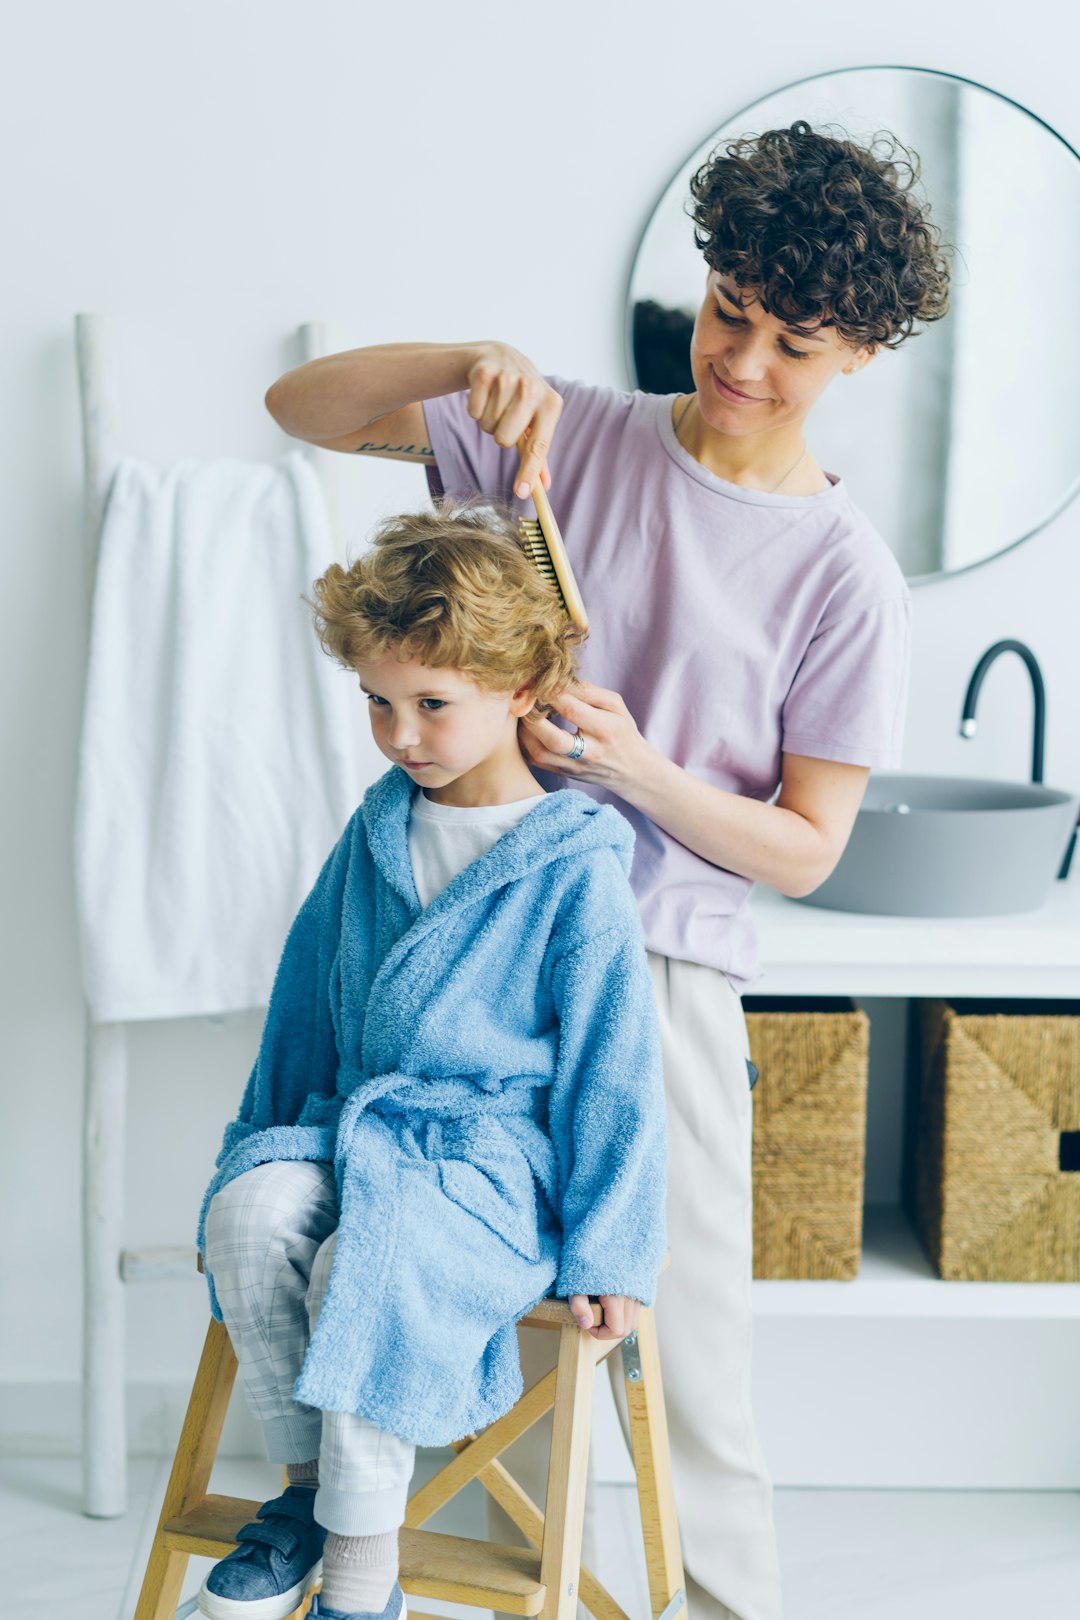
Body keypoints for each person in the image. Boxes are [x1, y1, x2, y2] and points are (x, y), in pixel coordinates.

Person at [263, 122, 951, 1620]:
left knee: (685, 1357)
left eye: (792, 340)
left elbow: (809, 850)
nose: (745, 362)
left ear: (861, 353)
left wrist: (638, 771)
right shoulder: (555, 438)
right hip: (467, 949)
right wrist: (468, 358)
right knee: (444, 1306)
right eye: (728, 312)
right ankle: (438, 1578)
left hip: (652, 973)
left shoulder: (845, 578)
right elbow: (297, 404)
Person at [196, 503, 668, 1620]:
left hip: (494, 1166)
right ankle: (306, 1500)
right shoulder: (374, 833)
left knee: (371, 1260)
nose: (401, 733)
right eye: (377, 702)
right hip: (355, 1124)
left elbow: (614, 1066)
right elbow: (303, 1013)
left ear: (519, 691)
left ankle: (364, 1586)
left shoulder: (574, 866)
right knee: (253, 1215)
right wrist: (257, 1145)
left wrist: (612, 1248)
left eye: (431, 704)